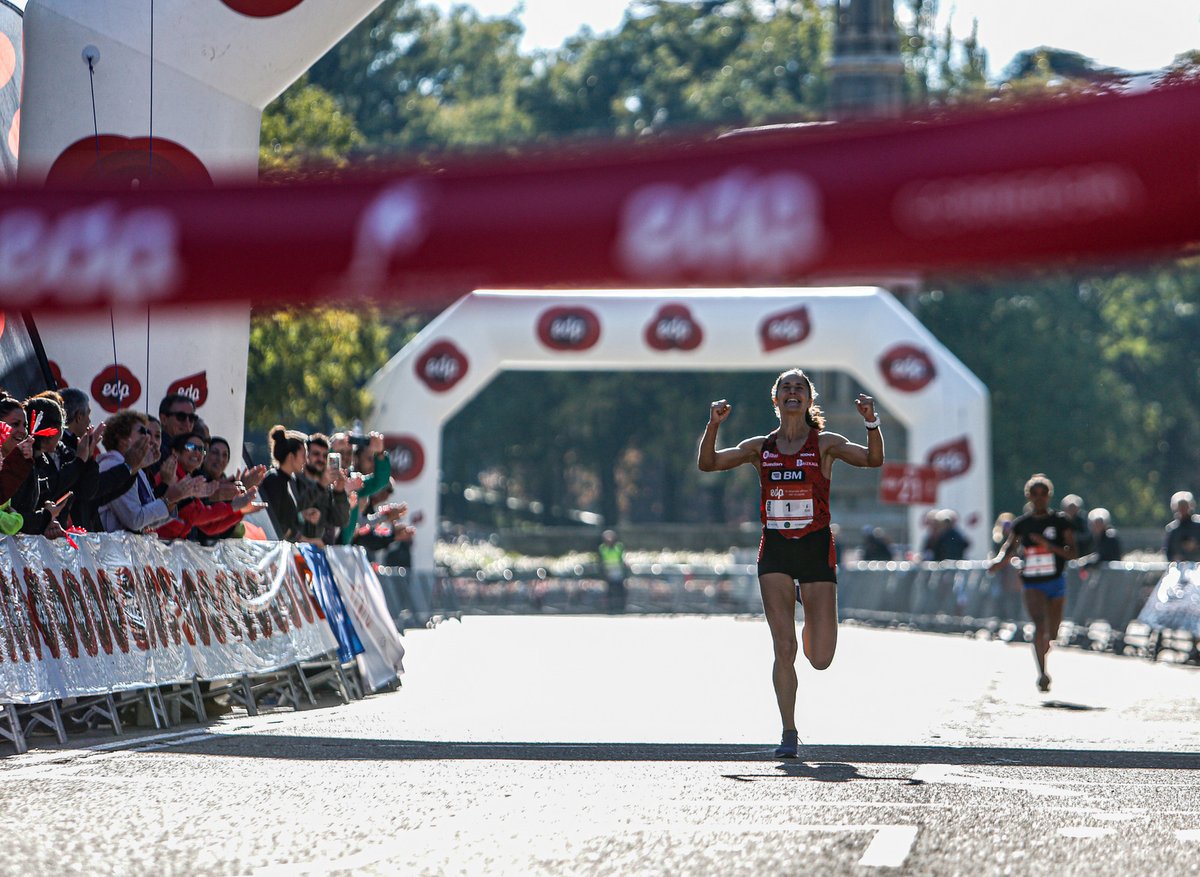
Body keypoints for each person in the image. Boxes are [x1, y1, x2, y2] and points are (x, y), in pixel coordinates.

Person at [697, 368, 883, 758]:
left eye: (800, 387)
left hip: (815, 549)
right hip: (777, 550)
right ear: (776, 400)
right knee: (784, 646)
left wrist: (871, 421)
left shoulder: (826, 444)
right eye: (786, 388)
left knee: (820, 659)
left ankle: (807, 596)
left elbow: (873, 460)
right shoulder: (759, 447)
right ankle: (788, 731)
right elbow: (709, 464)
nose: (793, 392)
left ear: (809, 400)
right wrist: (713, 425)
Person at [988, 474, 1077, 693]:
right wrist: (998, 562)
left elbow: (1072, 552)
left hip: (1055, 581)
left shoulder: (1060, 521)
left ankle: (1044, 646)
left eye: (1043, 494)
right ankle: (1042, 673)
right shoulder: (1022, 524)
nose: (1039, 498)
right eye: (1034, 494)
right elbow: (1009, 548)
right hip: (1032, 582)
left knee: (1052, 632)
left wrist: (1049, 546)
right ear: (1029, 496)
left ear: (1049, 496)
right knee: (1039, 625)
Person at [1163, 491, 1200, 563]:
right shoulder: (1172, 529)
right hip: (1180, 567)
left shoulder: (1198, 526)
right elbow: (1168, 553)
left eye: (1185, 506)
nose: (1183, 510)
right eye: (1181, 507)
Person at [598, 529, 629, 613]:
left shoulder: (619, 547)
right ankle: (609, 608)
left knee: (621, 590)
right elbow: (602, 561)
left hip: (618, 572)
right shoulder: (603, 548)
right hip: (609, 573)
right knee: (609, 591)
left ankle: (622, 608)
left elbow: (622, 559)